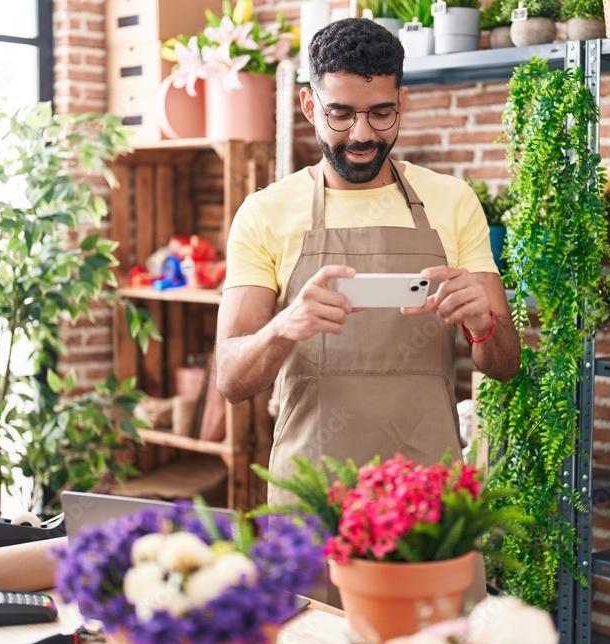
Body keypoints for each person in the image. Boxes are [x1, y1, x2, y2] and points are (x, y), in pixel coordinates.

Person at [215, 18, 520, 503]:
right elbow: (230, 380)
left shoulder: (453, 201)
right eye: (340, 114)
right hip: (311, 499)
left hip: (427, 496)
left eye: (381, 113)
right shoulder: (265, 212)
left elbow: (505, 365)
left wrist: (484, 325)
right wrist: (284, 326)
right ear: (308, 104)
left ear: (402, 102)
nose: (361, 135)